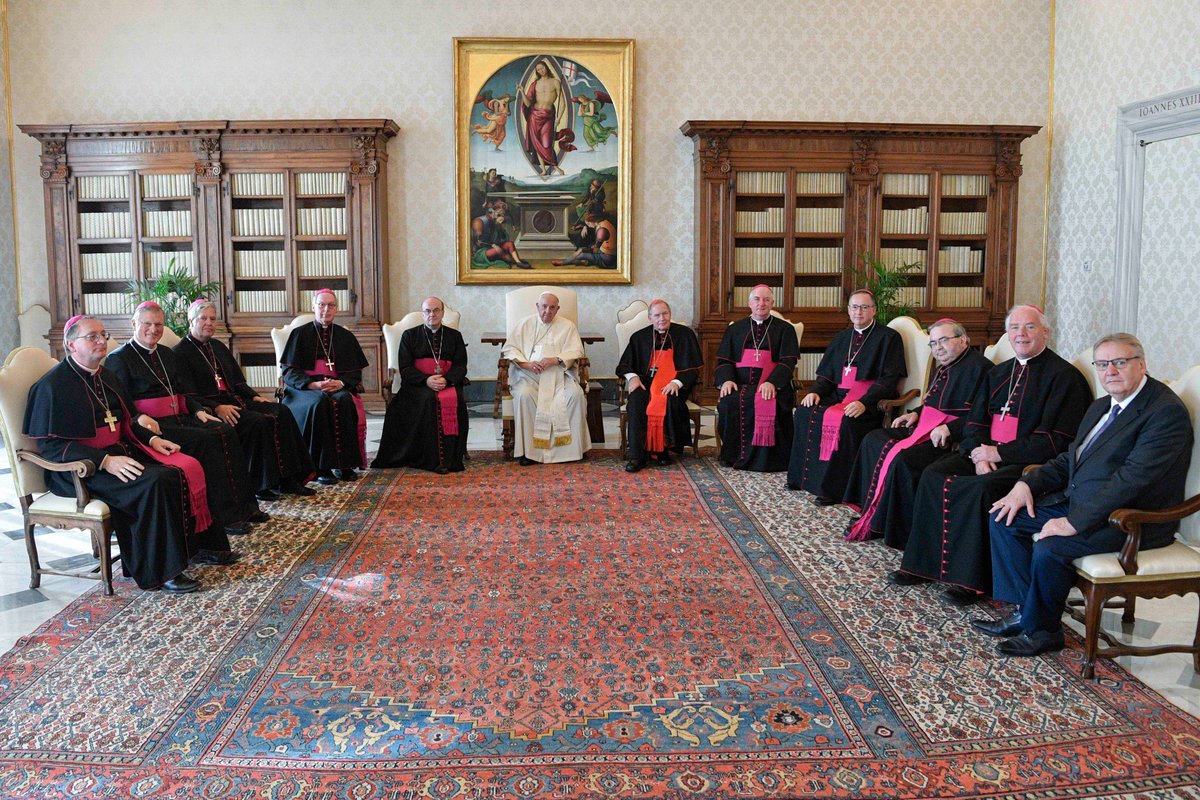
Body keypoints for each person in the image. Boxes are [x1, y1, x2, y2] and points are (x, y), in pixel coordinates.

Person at [978, 334, 1192, 657]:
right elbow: (1070, 459)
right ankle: (1027, 612)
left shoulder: (1164, 413)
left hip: (1132, 520)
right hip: (1084, 502)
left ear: (1142, 364)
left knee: (1051, 548)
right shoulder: (1102, 406)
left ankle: (1044, 632)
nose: (1110, 371)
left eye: (1120, 362)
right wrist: (1028, 485)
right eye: (1103, 364)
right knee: (1004, 518)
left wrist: (1073, 522)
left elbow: (1131, 480)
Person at [889, 305, 1092, 606]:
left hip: (1025, 463)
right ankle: (923, 565)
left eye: (1029, 327)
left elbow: (1056, 441)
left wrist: (998, 453)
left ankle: (971, 583)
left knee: (977, 490)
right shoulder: (998, 373)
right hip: (986, 453)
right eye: (1014, 328)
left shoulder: (1065, 378)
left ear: (1046, 332)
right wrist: (978, 455)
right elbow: (975, 422)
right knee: (933, 474)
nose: (1020, 334)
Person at [27, 316, 234, 593]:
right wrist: (105, 461)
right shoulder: (51, 386)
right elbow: (51, 447)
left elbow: (126, 423)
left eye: (103, 334)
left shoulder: (106, 376)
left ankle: (201, 547)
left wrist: (153, 439)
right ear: (71, 344)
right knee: (154, 482)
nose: (102, 341)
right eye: (93, 337)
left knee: (184, 467)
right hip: (78, 470)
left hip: (117, 455)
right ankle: (161, 572)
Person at [106, 301, 265, 537]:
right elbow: (121, 402)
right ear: (134, 324)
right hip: (155, 427)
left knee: (224, 431)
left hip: (179, 416)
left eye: (158, 324)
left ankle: (245, 508)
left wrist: (197, 409)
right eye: (147, 324)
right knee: (207, 441)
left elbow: (182, 391)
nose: (153, 329)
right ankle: (222, 517)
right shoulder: (118, 359)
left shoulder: (166, 354)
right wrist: (140, 417)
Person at [843, 319, 991, 545]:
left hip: (948, 438)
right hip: (925, 427)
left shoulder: (982, 369)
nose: (938, 348)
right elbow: (933, 402)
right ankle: (872, 512)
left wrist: (951, 428)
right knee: (873, 439)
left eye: (943, 340)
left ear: (963, 339)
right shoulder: (944, 368)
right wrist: (914, 413)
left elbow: (982, 415)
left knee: (904, 460)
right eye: (933, 343)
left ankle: (894, 527)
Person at [174, 299, 316, 499]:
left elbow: (238, 382)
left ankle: (289, 479)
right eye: (203, 318)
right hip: (212, 408)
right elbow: (188, 395)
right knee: (256, 422)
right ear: (191, 321)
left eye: (212, 319)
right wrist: (217, 407)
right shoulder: (180, 352)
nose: (209, 323)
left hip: (236, 400)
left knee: (281, 411)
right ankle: (261, 484)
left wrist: (255, 397)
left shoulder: (217, 346)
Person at [786, 290, 906, 504]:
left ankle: (833, 490)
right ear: (849, 310)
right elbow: (827, 377)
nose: (858, 312)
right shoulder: (842, 338)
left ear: (874, 310)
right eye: (854, 307)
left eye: (864, 307)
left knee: (848, 423)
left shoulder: (888, 338)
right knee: (805, 412)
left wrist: (864, 403)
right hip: (838, 396)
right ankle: (802, 478)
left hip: (870, 400)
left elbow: (889, 379)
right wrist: (815, 392)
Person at [279, 289, 369, 485]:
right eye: (321, 305)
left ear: (336, 309)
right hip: (305, 389)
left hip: (336, 387)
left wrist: (341, 383)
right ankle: (321, 467)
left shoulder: (345, 336)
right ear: (313, 307)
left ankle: (345, 465)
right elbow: (289, 373)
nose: (325, 309)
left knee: (344, 400)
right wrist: (313, 384)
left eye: (331, 305)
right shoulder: (299, 334)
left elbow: (355, 373)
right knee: (319, 403)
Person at [372, 297, 469, 474]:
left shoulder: (454, 336)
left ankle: (451, 458)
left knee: (457, 401)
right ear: (422, 314)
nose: (432, 314)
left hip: (446, 381)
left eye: (436, 310)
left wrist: (446, 380)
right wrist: (426, 380)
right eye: (427, 311)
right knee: (427, 400)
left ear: (443, 313)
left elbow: (461, 365)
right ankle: (428, 458)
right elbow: (406, 368)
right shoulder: (409, 336)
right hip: (418, 385)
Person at [715, 285, 800, 471]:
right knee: (729, 402)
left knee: (772, 400)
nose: (761, 304)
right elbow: (724, 360)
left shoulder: (785, 330)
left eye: (766, 300)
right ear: (749, 303)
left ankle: (770, 460)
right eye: (757, 299)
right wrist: (727, 380)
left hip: (772, 385)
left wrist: (772, 382)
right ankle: (732, 455)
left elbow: (788, 362)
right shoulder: (735, 329)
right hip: (740, 385)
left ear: (772, 303)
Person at [501, 292, 591, 465]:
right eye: (544, 306)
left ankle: (570, 451)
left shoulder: (568, 326)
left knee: (575, 395)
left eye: (552, 308)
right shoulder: (524, 324)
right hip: (529, 376)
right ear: (537, 306)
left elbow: (576, 351)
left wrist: (555, 360)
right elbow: (510, 350)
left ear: (558, 309)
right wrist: (527, 364)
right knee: (524, 395)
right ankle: (529, 453)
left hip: (560, 376)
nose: (547, 311)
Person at [615, 299, 702, 472]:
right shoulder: (639, 337)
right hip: (645, 381)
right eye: (657, 315)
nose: (662, 318)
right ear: (650, 318)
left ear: (670, 315)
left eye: (665, 314)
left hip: (673, 381)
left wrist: (677, 382)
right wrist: (632, 378)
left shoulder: (685, 334)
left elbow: (694, 369)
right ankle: (637, 456)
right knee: (637, 401)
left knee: (670, 400)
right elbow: (624, 365)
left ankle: (663, 451)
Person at [521, 59, 570, 177]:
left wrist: (559, 118)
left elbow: (562, 103)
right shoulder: (535, 84)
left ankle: (556, 167)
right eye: (538, 70)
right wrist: (522, 92)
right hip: (534, 115)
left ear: (546, 67)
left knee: (546, 143)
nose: (541, 71)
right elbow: (527, 104)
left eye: (542, 68)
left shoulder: (555, 82)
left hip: (548, 117)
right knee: (537, 144)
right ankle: (543, 170)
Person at [472, 201, 532, 269]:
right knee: (498, 251)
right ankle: (512, 260)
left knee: (510, 244)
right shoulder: (479, 221)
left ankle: (518, 262)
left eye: (503, 215)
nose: (502, 218)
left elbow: (502, 238)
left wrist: (499, 227)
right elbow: (478, 241)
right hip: (481, 251)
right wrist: (493, 245)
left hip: (494, 246)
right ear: (493, 212)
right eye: (500, 215)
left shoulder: (495, 222)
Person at [552, 214, 616, 269]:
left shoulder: (601, 231)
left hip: (607, 258)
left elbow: (595, 250)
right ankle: (566, 262)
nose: (588, 226)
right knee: (581, 252)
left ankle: (563, 263)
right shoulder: (603, 223)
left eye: (588, 223)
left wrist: (583, 250)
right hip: (606, 253)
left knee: (581, 255)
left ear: (592, 221)